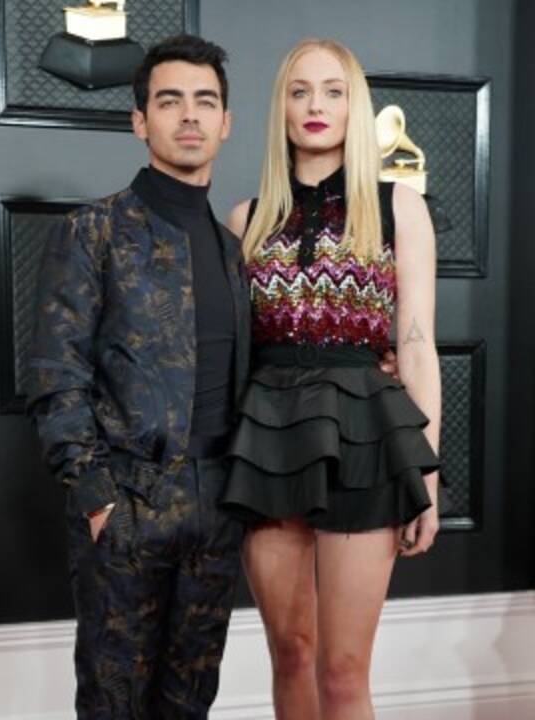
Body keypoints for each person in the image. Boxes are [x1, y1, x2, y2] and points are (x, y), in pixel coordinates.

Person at [27, 35, 250, 720]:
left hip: (219, 507)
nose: (189, 115)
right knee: (113, 703)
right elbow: (56, 376)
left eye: (204, 101)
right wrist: (98, 500)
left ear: (225, 122)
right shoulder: (92, 231)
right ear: (139, 120)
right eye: (170, 100)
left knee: (190, 704)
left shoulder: (234, 250)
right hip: (127, 501)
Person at [220, 38, 441, 720]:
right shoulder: (245, 219)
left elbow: (416, 346)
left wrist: (427, 478)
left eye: (333, 91)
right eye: (300, 91)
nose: (316, 105)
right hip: (267, 441)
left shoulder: (399, 206)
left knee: (343, 671)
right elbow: (231, 355)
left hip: (366, 442)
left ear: (355, 107)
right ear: (281, 108)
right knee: (291, 652)